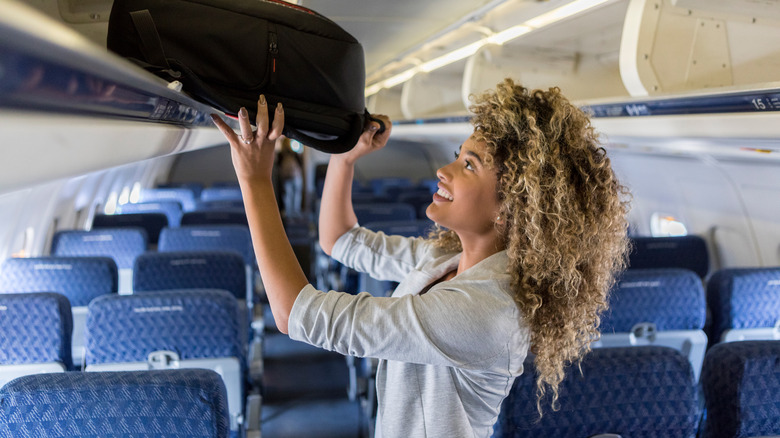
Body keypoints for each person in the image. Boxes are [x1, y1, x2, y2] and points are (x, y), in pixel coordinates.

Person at [211, 78, 630, 437]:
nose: (443, 171)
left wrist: (254, 180)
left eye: (469, 165)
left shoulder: (485, 311)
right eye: (456, 155)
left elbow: (295, 314)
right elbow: (340, 240)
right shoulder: (447, 260)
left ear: (510, 207)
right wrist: (345, 156)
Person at [276, 137, 304, 218]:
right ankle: (296, 212)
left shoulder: (280, 154)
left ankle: (289, 213)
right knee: (297, 194)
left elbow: (278, 166)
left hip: (286, 176)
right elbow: (300, 164)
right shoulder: (294, 153)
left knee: (288, 195)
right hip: (296, 175)